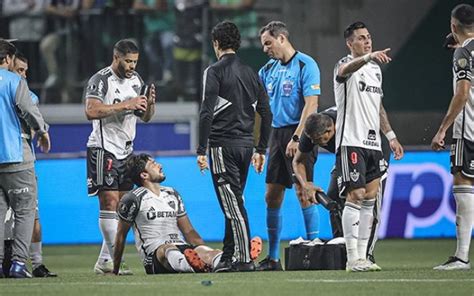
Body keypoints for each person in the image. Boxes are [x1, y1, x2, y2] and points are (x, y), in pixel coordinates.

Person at [197, 21, 271, 272]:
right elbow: (266, 113)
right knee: (233, 201)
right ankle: (229, 255)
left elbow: (207, 112)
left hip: (222, 146)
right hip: (246, 146)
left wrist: (200, 149)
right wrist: (261, 149)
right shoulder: (252, 73)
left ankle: (242, 258)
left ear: (216, 43)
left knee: (233, 205)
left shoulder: (214, 71)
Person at [113, 154, 261, 274]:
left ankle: (236, 258)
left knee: (208, 252)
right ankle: (194, 266)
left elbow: (188, 230)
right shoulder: (133, 198)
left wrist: (202, 250)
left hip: (183, 247)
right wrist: (116, 267)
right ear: (144, 175)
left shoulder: (172, 193)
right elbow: (120, 235)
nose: (160, 165)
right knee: (167, 249)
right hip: (155, 256)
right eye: (153, 164)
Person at [333, 21, 403, 272]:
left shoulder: (375, 70)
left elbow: (378, 106)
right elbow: (345, 70)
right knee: (355, 195)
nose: (367, 41)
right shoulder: (343, 66)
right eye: (361, 38)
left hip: (373, 143)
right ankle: (352, 259)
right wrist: (368, 56)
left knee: (370, 199)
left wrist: (391, 135)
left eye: (368, 37)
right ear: (350, 43)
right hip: (351, 141)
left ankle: (363, 258)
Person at [84, 38, 156, 275]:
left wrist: (150, 105)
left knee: (123, 208)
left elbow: (145, 117)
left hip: (126, 151)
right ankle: (115, 260)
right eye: (127, 61)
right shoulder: (100, 80)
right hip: (103, 148)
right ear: (116, 57)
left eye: (135, 61)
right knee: (109, 203)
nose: (132, 66)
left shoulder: (136, 80)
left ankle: (105, 259)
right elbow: (91, 111)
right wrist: (126, 105)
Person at [257, 21, 321, 271]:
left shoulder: (307, 64)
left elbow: (311, 105)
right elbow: (262, 112)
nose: (265, 49)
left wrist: (297, 137)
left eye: (268, 43)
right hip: (276, 135)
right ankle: (273, 259)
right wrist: (259, 148)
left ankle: (314, 248)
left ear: (282, 38)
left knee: (303, 192)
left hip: (302, 133)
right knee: (271, 195)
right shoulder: (266, 71)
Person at [292, 108, 391, 267]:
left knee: (369, 200)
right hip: (346, 153)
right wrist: (306, 185)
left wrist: (392, 137)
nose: (316, 144)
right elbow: (297, 161)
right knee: (333, 195)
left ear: (331, 129)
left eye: (320, 140)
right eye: (313, 140)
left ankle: (366, 254)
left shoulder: (349, 122)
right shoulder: (311, 131)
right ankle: (341, 248)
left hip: (373, 148)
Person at [2, 52, 57, 277]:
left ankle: (36, 263)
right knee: (25, 214)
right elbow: (33, 121)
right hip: (16, 159)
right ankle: (17, 264)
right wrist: (42, 131)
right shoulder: (16, 87)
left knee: (27, 216)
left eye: (26, 71)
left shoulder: (26, 91)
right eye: (20, 70)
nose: (23, 75)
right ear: (8, 62)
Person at [431, 3, 474, 271]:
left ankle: (461, 256)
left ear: (453, 26)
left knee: (464, 184)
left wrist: (442, 129)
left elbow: (462, 93)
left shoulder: (463, 52)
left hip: (468, 130)